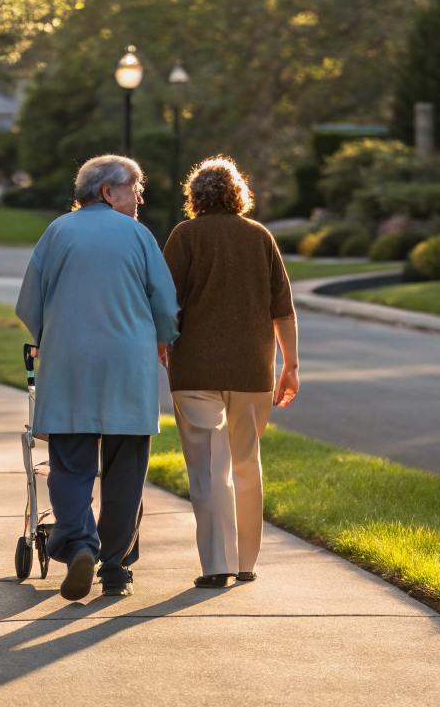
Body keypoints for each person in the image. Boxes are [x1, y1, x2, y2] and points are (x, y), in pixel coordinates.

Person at [15, 155, 179, 600]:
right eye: (135, 187)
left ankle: (81, 544)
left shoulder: (57, 232)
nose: (141, 196)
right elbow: (165, 304)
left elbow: (28, 305)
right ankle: (115, 569)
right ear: (108, 191)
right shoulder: (140, 236)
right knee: (126, 471)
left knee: (69, 466)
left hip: (69, 369)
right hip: (129, 369)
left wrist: (55, 335)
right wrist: (164, 340)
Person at [162, 157, 298, 589]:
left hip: (196, 369)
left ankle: (217, 564)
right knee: (245, 461)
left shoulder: (185, 236)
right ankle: (245, 562)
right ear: (239, 193)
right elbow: (283, 309)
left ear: (195, 196)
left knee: (207, 468)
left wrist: (163, 343)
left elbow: (166, 302)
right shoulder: (260, 237)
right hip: (252, 371)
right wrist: (290, 366)